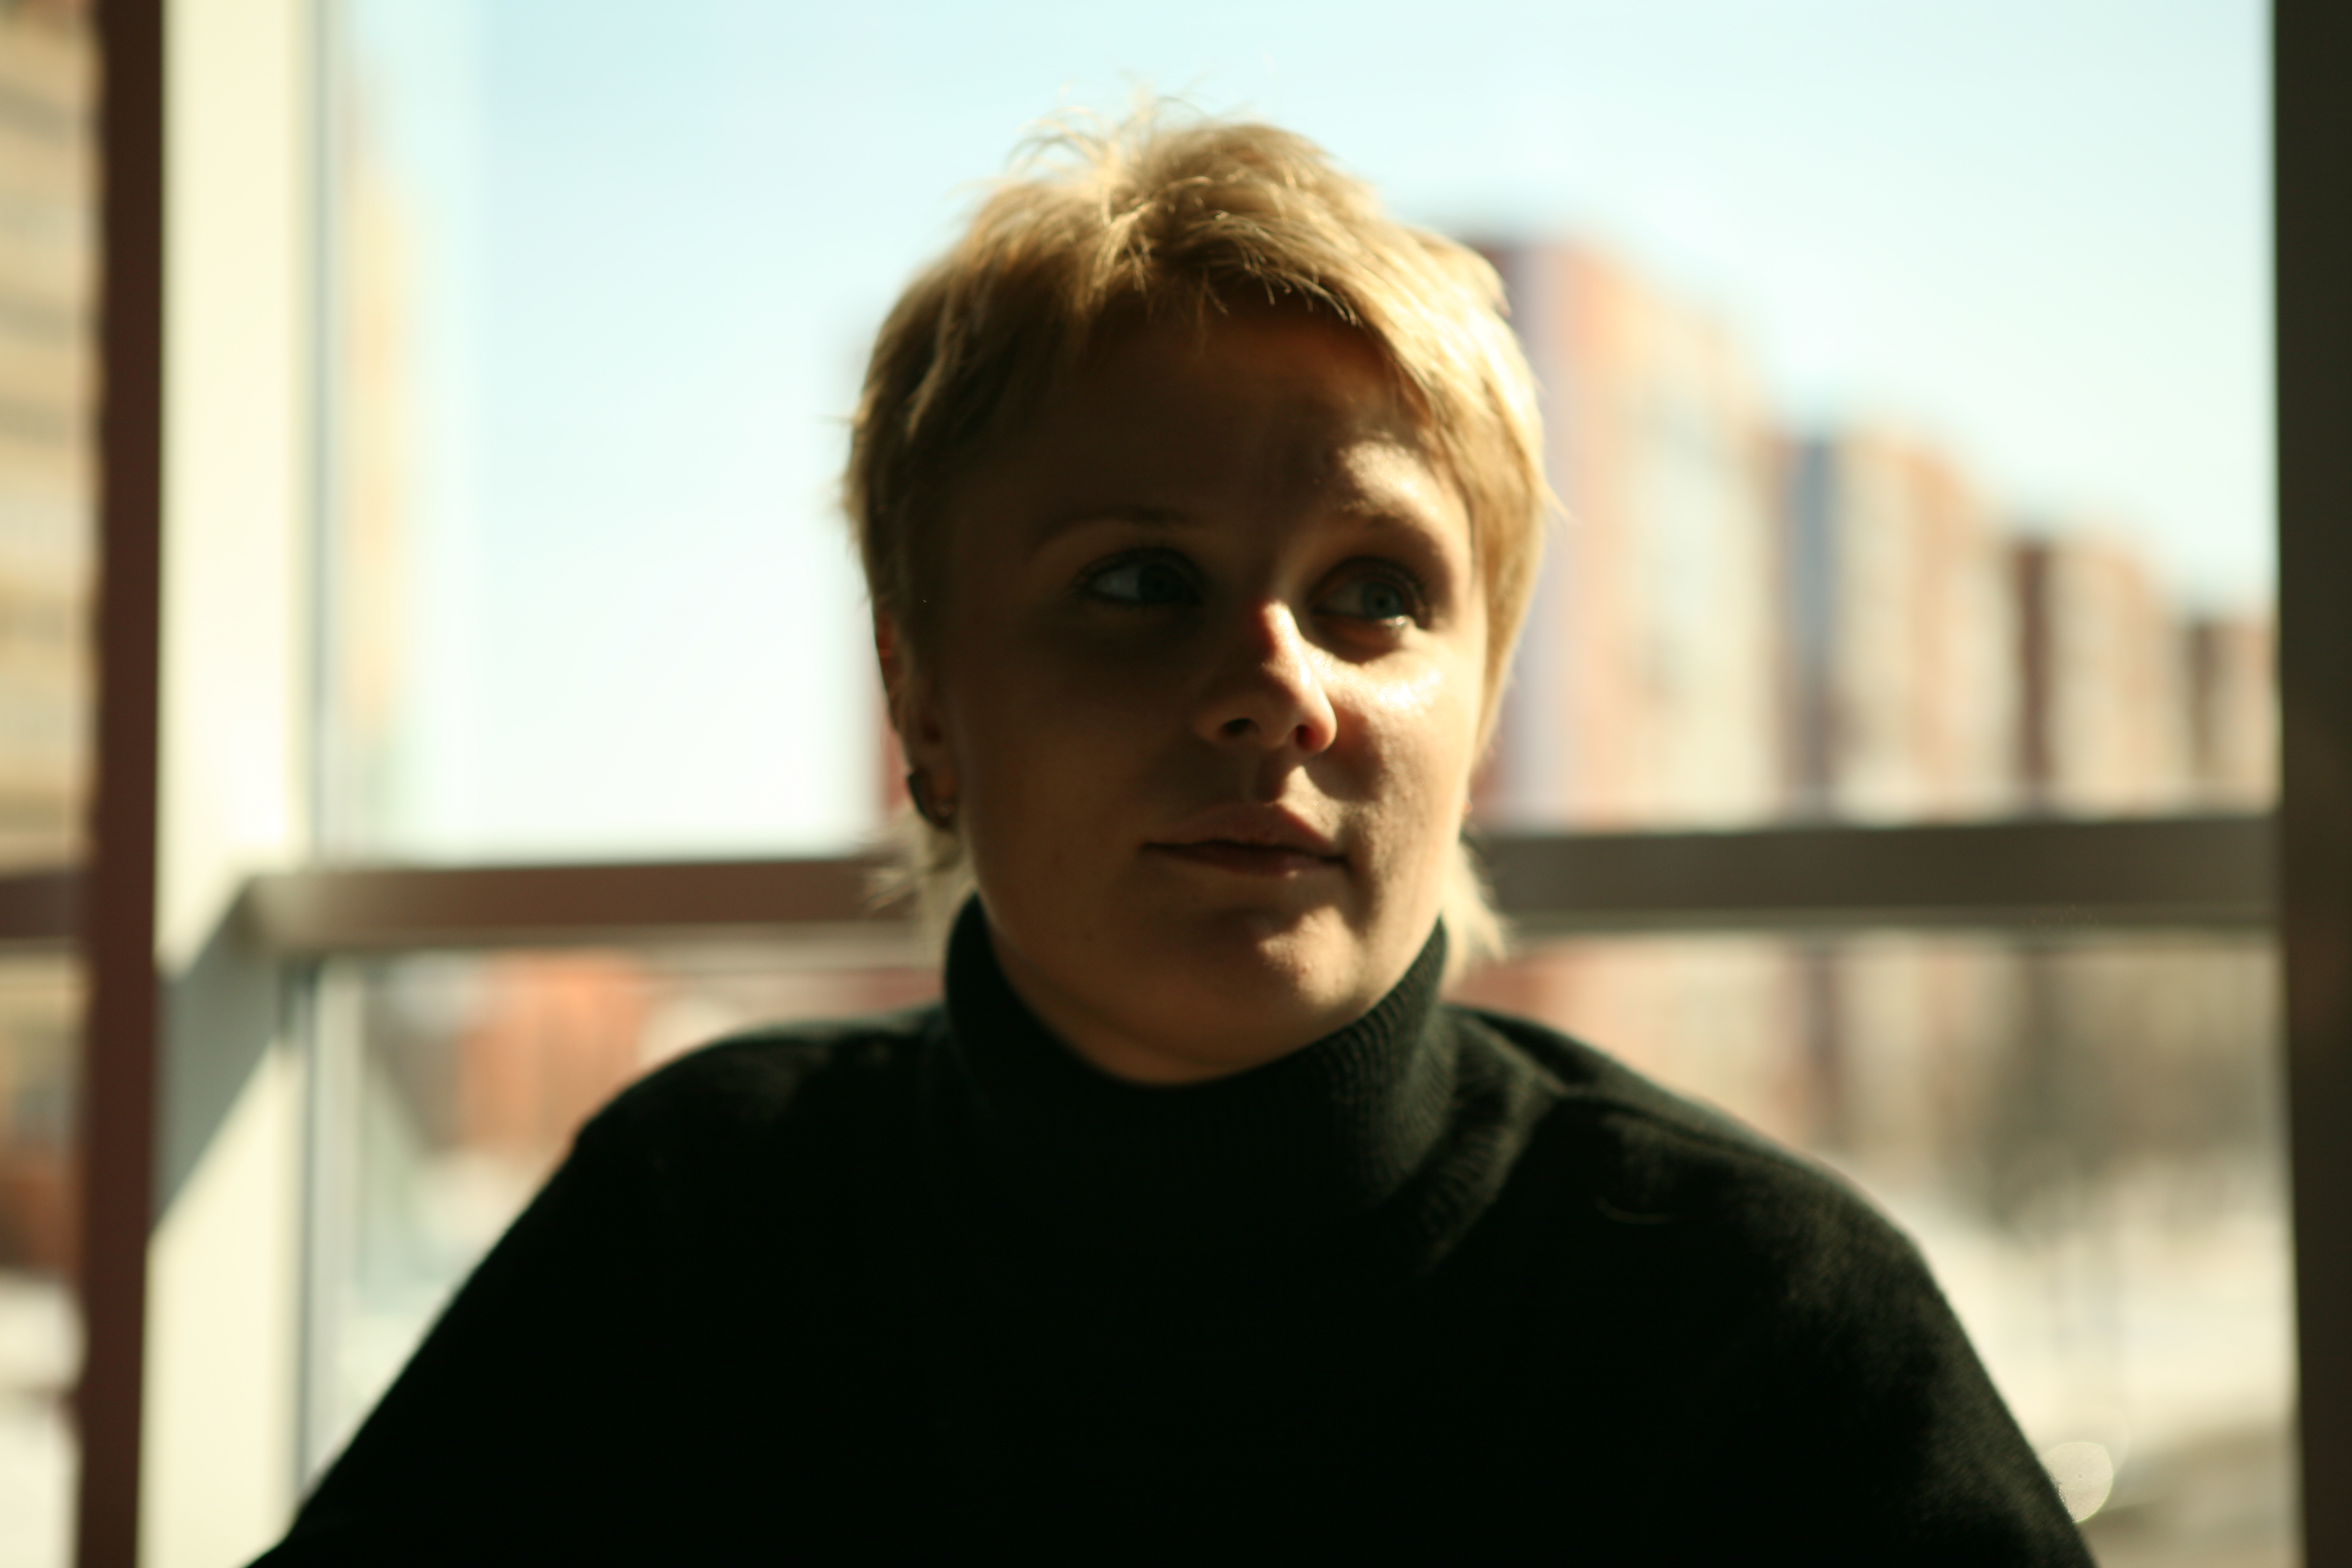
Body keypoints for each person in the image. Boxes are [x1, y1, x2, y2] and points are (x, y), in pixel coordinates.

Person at [258, 110, 2091, 1563]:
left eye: (1377, 594)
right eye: (1141, 582)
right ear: (923, 705)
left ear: (1482, 714)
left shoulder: (1755, 1322)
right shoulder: (702, 1230)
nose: (1279, 689)